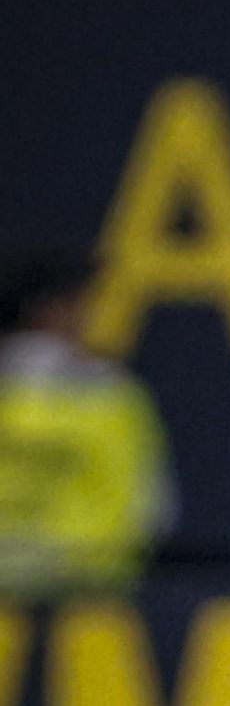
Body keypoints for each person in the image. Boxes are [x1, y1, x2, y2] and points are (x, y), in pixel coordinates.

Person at [0, 253, 174, 598]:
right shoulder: (111, 396)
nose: (92, 316)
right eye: (85, 304)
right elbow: (154, 512)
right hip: (89, 599)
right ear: (54, 310)